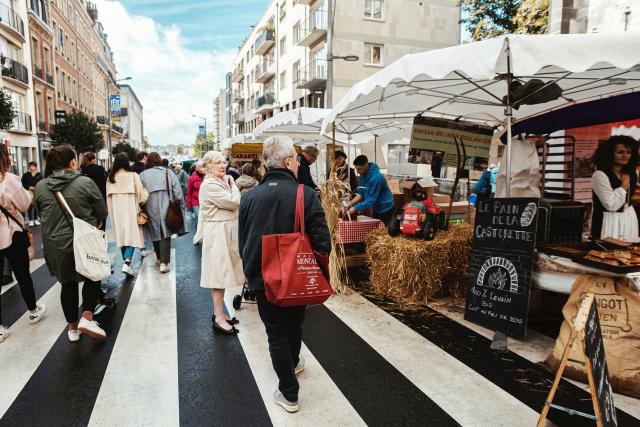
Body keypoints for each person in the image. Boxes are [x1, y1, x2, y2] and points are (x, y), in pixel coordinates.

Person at [239, 136, 331, 413]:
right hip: (297, 275)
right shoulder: (306, 194)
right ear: (289, 162)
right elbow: (323, 241)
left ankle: (289, 392)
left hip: (262, 279)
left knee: (275, 334)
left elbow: (242, 242)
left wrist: (252, 273)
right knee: (294, 324)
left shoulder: (249, 197)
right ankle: (292, 369)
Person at [35, 145, 108, 342]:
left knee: (67, 284)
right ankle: (87, 316)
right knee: (93, 275)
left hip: (56, 243)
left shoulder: (41, 186)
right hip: (84, 240)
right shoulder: (85, 182)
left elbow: (40, 211)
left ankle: (73, 329)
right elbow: (102, 212)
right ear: (73, 162)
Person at [0, 145, 46, 343]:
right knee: (22, 274)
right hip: (11, 234)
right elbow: (25, 205)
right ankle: (33, 311)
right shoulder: (8, 179)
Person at [199, 151, 244, 334]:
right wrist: (233, 184)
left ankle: (220, 313)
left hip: (224, 232)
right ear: (208, 166)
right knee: (218, 275)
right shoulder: (210, 185)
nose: (223, 165)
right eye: (218, 162)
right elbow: (235, 201)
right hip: (218, 234)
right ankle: (218, 316)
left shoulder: (219, 181)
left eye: (224, 161)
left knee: (223, 274)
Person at [140, 152, 187, 273]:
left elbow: (140, 193)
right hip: (168, 205)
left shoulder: (143, 175)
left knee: (155, 232)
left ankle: (160, 258)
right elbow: (178, 192)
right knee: (165, 232)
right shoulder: (168, 172)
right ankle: (164, 263)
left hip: (149, 206)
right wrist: (181, 206)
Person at [106, 153, 149, 277]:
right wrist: (142, 202)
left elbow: (107, 198)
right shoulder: (133, 176)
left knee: (121, 235)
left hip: (116, 209)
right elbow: (140, 193)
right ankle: (127, 261)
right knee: (131, 233)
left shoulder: (110, 177)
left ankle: (127, 263)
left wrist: (111, 211)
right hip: (130, 207)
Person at [591, 135, 640, 241]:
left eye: (628, 152)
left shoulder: (632, 173)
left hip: (628, 217)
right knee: (605, 254)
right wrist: (624, 184)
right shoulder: (600, 175)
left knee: (627, 254)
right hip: (608, 220)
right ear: (609, 154)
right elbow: (611, 206)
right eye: (620, 152)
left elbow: (628, 200)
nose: (625, 155)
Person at [346, 155, 395, 225]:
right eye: (356, 169)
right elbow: (360, 194)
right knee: (375, 228)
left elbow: (371, 199)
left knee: (383, 230)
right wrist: (350, 204)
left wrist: (355, 208)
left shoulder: (376, 177)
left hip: (385, 207)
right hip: (375, 206)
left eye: (359, 169)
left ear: (366, 165)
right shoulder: (362, 176)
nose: (357, 171)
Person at [21, 161, 42, 226]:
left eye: (33, 166)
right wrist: (29, 187)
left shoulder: (39, 175)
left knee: (36, 205)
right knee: (30, 206)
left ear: (36, 167)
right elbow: (23, 183)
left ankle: (36, 219)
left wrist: (37, 188)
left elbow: (42, 183)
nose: (31, 167)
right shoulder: (25, 175)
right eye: (30, 166)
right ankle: (30, 220)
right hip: (29, 192)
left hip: (37, 191)